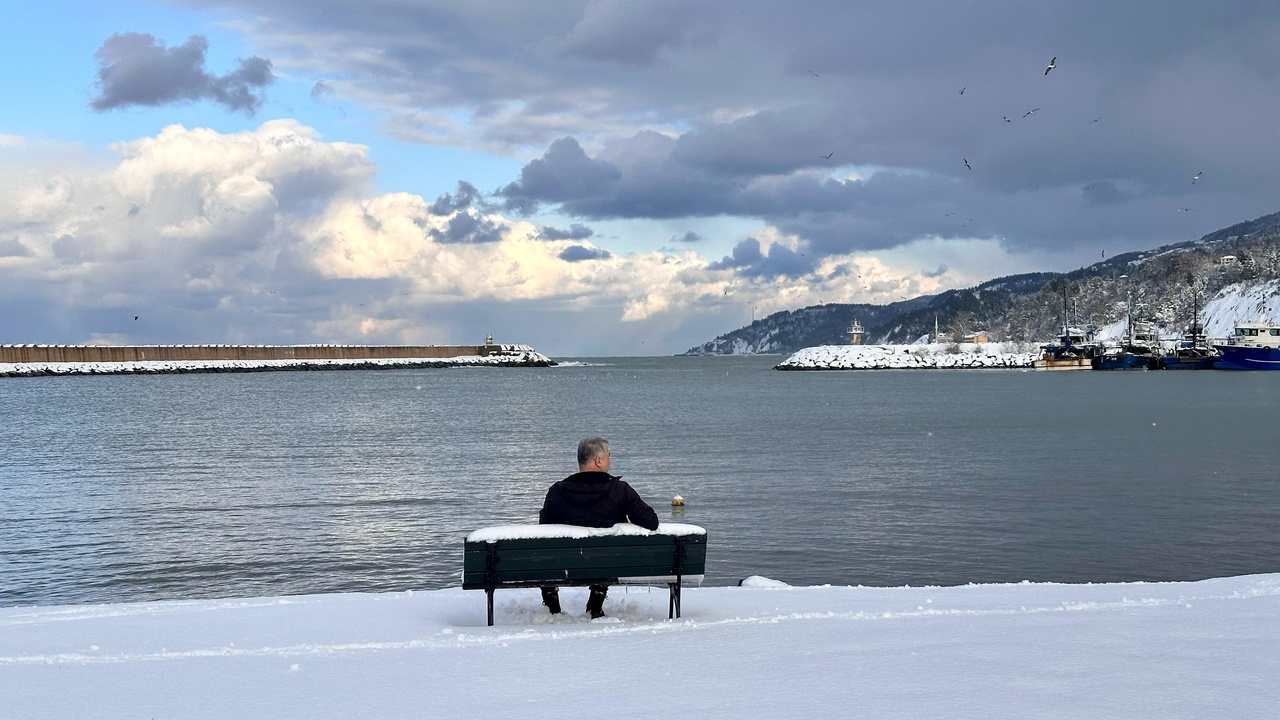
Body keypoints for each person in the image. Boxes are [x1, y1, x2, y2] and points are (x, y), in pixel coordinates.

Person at [539, 437, 659, 618]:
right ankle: (596, 601)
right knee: (606, 551)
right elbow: (651, 521)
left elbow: (543, 532)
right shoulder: (620, 490)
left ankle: (552, 606)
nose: (610, 460)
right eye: (609, 456)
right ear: (598, 461)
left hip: (564, 565)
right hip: (605, 563)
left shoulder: (557, 491)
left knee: (544, 551)